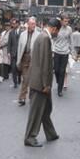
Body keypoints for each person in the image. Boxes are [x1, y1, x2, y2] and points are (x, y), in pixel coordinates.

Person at [24, 18, 61, 147]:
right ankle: (29, 137)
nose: (57, 34)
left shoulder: (42, 36)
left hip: (38, 80)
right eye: (57, 31)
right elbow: (45, 62)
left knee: (46, 109)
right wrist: (46, 84)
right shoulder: (45, 38)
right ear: (55, 29)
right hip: (40, 82)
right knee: (36, 111)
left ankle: (51, 133)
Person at [16, 16, 40, 106]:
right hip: (25, 58)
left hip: (34, 59)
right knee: (25, 79)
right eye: (32, 24)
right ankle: (22, 98)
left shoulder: (38, 34)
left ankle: (32, 97)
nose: (33, 25)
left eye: (34, 23)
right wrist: (18, 61)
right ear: (28, 24)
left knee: (33, 79)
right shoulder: (22, 34)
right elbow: (19, 48)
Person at [52, 15, 73, 96]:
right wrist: (52, 50)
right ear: (61, 21)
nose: (66, 23)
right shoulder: (56, 28)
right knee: (56, 70)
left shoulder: (69, 29)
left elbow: (71, 41)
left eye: (67, 21)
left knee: (62, 71)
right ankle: (58, 81)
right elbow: (52, 39)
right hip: (57, 51)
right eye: (65, 21)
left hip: (65, 52)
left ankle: (59, 90)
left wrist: (72, 52)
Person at [7, 18, 21, 88]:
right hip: (13, 53)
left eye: (14, 23)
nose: (13, 25)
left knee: (19, 67)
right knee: (13, 68)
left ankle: (19, 77)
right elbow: (9, 43)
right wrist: (8, 52)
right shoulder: (11, 32)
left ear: (18, 24)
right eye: (12, 23)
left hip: (20, 53)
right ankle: (15, 82)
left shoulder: (22, 32)